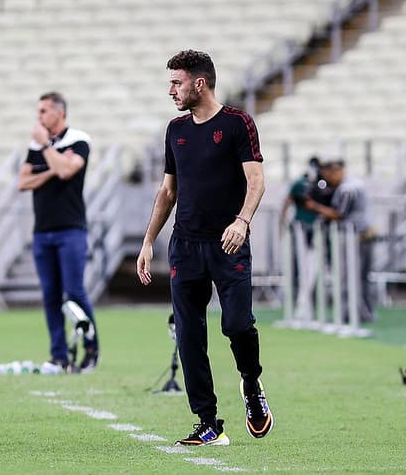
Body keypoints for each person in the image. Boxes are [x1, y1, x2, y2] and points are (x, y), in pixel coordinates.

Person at [136, 50, 273, 446]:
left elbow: (257, 180)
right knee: (188, 335)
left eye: (176, 83)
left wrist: (242, 221)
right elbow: (168, 190)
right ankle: (208, 422)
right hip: (185, 247)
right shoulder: (175, 130)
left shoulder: (237, 123)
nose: (170, 91)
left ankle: (251, 383)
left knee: (236, 325)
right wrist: (148, 242)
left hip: (229, 245)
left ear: (199, 83)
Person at [17, 91, 100, 374]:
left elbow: (68, 172)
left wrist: (47, 149)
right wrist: (53, 166)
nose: (38, 117)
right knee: (50, 296)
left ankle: (91, 350)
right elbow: (23, 181)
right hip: (42, 232)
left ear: (59, 113)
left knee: (74, 292)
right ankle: (59, 356)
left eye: (43, 111)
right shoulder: (36, 145)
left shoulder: (78, 140)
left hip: (71, 230)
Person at [304, 160, 375, 322]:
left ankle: (350, 314)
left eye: (328, 176)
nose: (327, 180)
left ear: (335, 172)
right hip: (363, 234)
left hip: (354, 238)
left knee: (348, 277)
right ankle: (364, 313)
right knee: (361, 277)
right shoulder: (355, 184)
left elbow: (339, 214)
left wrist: (314, 207)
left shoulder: (347, 188)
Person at [280, 157, 321, 321]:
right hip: (300, 229)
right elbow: (287, 202)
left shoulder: (320, 184)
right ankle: (301, 304)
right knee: (302, 268)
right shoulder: (300, 184)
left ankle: (306, 304)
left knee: (312, 269)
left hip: (317, 230)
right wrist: (282, 225)